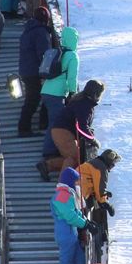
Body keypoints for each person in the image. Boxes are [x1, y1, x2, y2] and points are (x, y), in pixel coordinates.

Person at [43, 167, 97, 264]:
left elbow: (76, 213)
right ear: (70, 181)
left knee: (79, 263)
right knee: (66, 262)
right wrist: (86, 225)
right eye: (76, 181)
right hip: (65, 234)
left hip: (71, 234)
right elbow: (70, 215)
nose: (78, 184)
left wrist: (87, 222)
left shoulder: (68, 194)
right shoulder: (62, 195)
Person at [39, 79, 104, 181]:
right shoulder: (85, 105)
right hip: (63, 131)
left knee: (75, 158)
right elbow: (82, 126)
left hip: (60, 130)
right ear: (96, 94)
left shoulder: (81, 100)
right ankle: (63, 185)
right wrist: (93, 140)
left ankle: (47, 166)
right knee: (74, 158)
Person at [37, 25, 80, 164]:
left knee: (53, 121)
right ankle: (49, 152)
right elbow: (72, 77)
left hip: (46, 90)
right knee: (55, 123)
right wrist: (73, 93)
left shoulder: (59, 52)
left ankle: (51, 148)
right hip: (57, 94)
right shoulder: (72, 56)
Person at [18, 5, 54, 137]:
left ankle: (31, 126)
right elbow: (44, 54)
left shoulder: (28, 31)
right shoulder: (40, 32)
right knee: (34, 98)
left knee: (34, 97)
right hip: (34, 71)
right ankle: (26, 128)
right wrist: (47, 71)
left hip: (26, 70)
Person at [79, 149, 119, 256]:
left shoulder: (93, 163)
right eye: (113, 163)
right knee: (81, 220)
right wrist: (105, 203)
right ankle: (81, 242)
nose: (113, 166)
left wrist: (104, 194)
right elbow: (100, 189)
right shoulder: (101, 167)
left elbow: (94, 184)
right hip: (79, 194)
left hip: (77, 191)